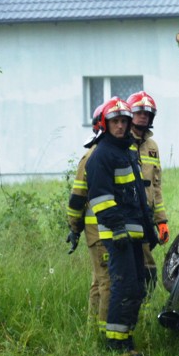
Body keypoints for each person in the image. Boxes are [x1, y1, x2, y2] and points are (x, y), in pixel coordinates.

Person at [86, 97, 158, 356]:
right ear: (106, 124)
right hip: (117, 236)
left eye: (123, 121)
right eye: (115, 121)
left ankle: (126, 338)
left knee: (137, 285)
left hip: (134, 234)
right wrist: (118, 229)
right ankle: (115, 345)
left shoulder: (127, 152)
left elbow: (139, 195)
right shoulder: (101, 155)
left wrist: (149, 229)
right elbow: (101, 199)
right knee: (124, 286)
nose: (120, 126)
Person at [66, 100, 111, 336]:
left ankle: (93, 330)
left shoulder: (111, 154)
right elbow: (77, 198)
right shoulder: (93, 157)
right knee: (108, 282)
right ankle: (105, 336)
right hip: (99, 231)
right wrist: (74, 228)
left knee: (98, 281)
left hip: (104, 230)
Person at [126, 91, 169, 294]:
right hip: (126, 214)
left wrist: (161, 221)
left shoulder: (152, 147)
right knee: (139, 265)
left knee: (147, 267)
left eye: (148, 113)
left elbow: (156, 186)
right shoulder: (122, 142)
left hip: (147, 216)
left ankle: (143, 306)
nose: (143, 116)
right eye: (139, 111)